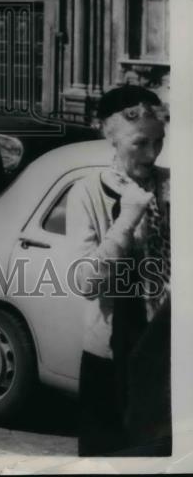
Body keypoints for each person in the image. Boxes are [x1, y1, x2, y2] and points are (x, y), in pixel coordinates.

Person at [66, 85, 170, 456]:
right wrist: (126, 220)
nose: (152, 154)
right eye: (140, 143)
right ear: (111, 136)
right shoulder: (88, 192)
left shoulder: (173, 185)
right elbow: (85, 282)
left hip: (165, 355)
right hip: (110, 357)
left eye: (158, 141)